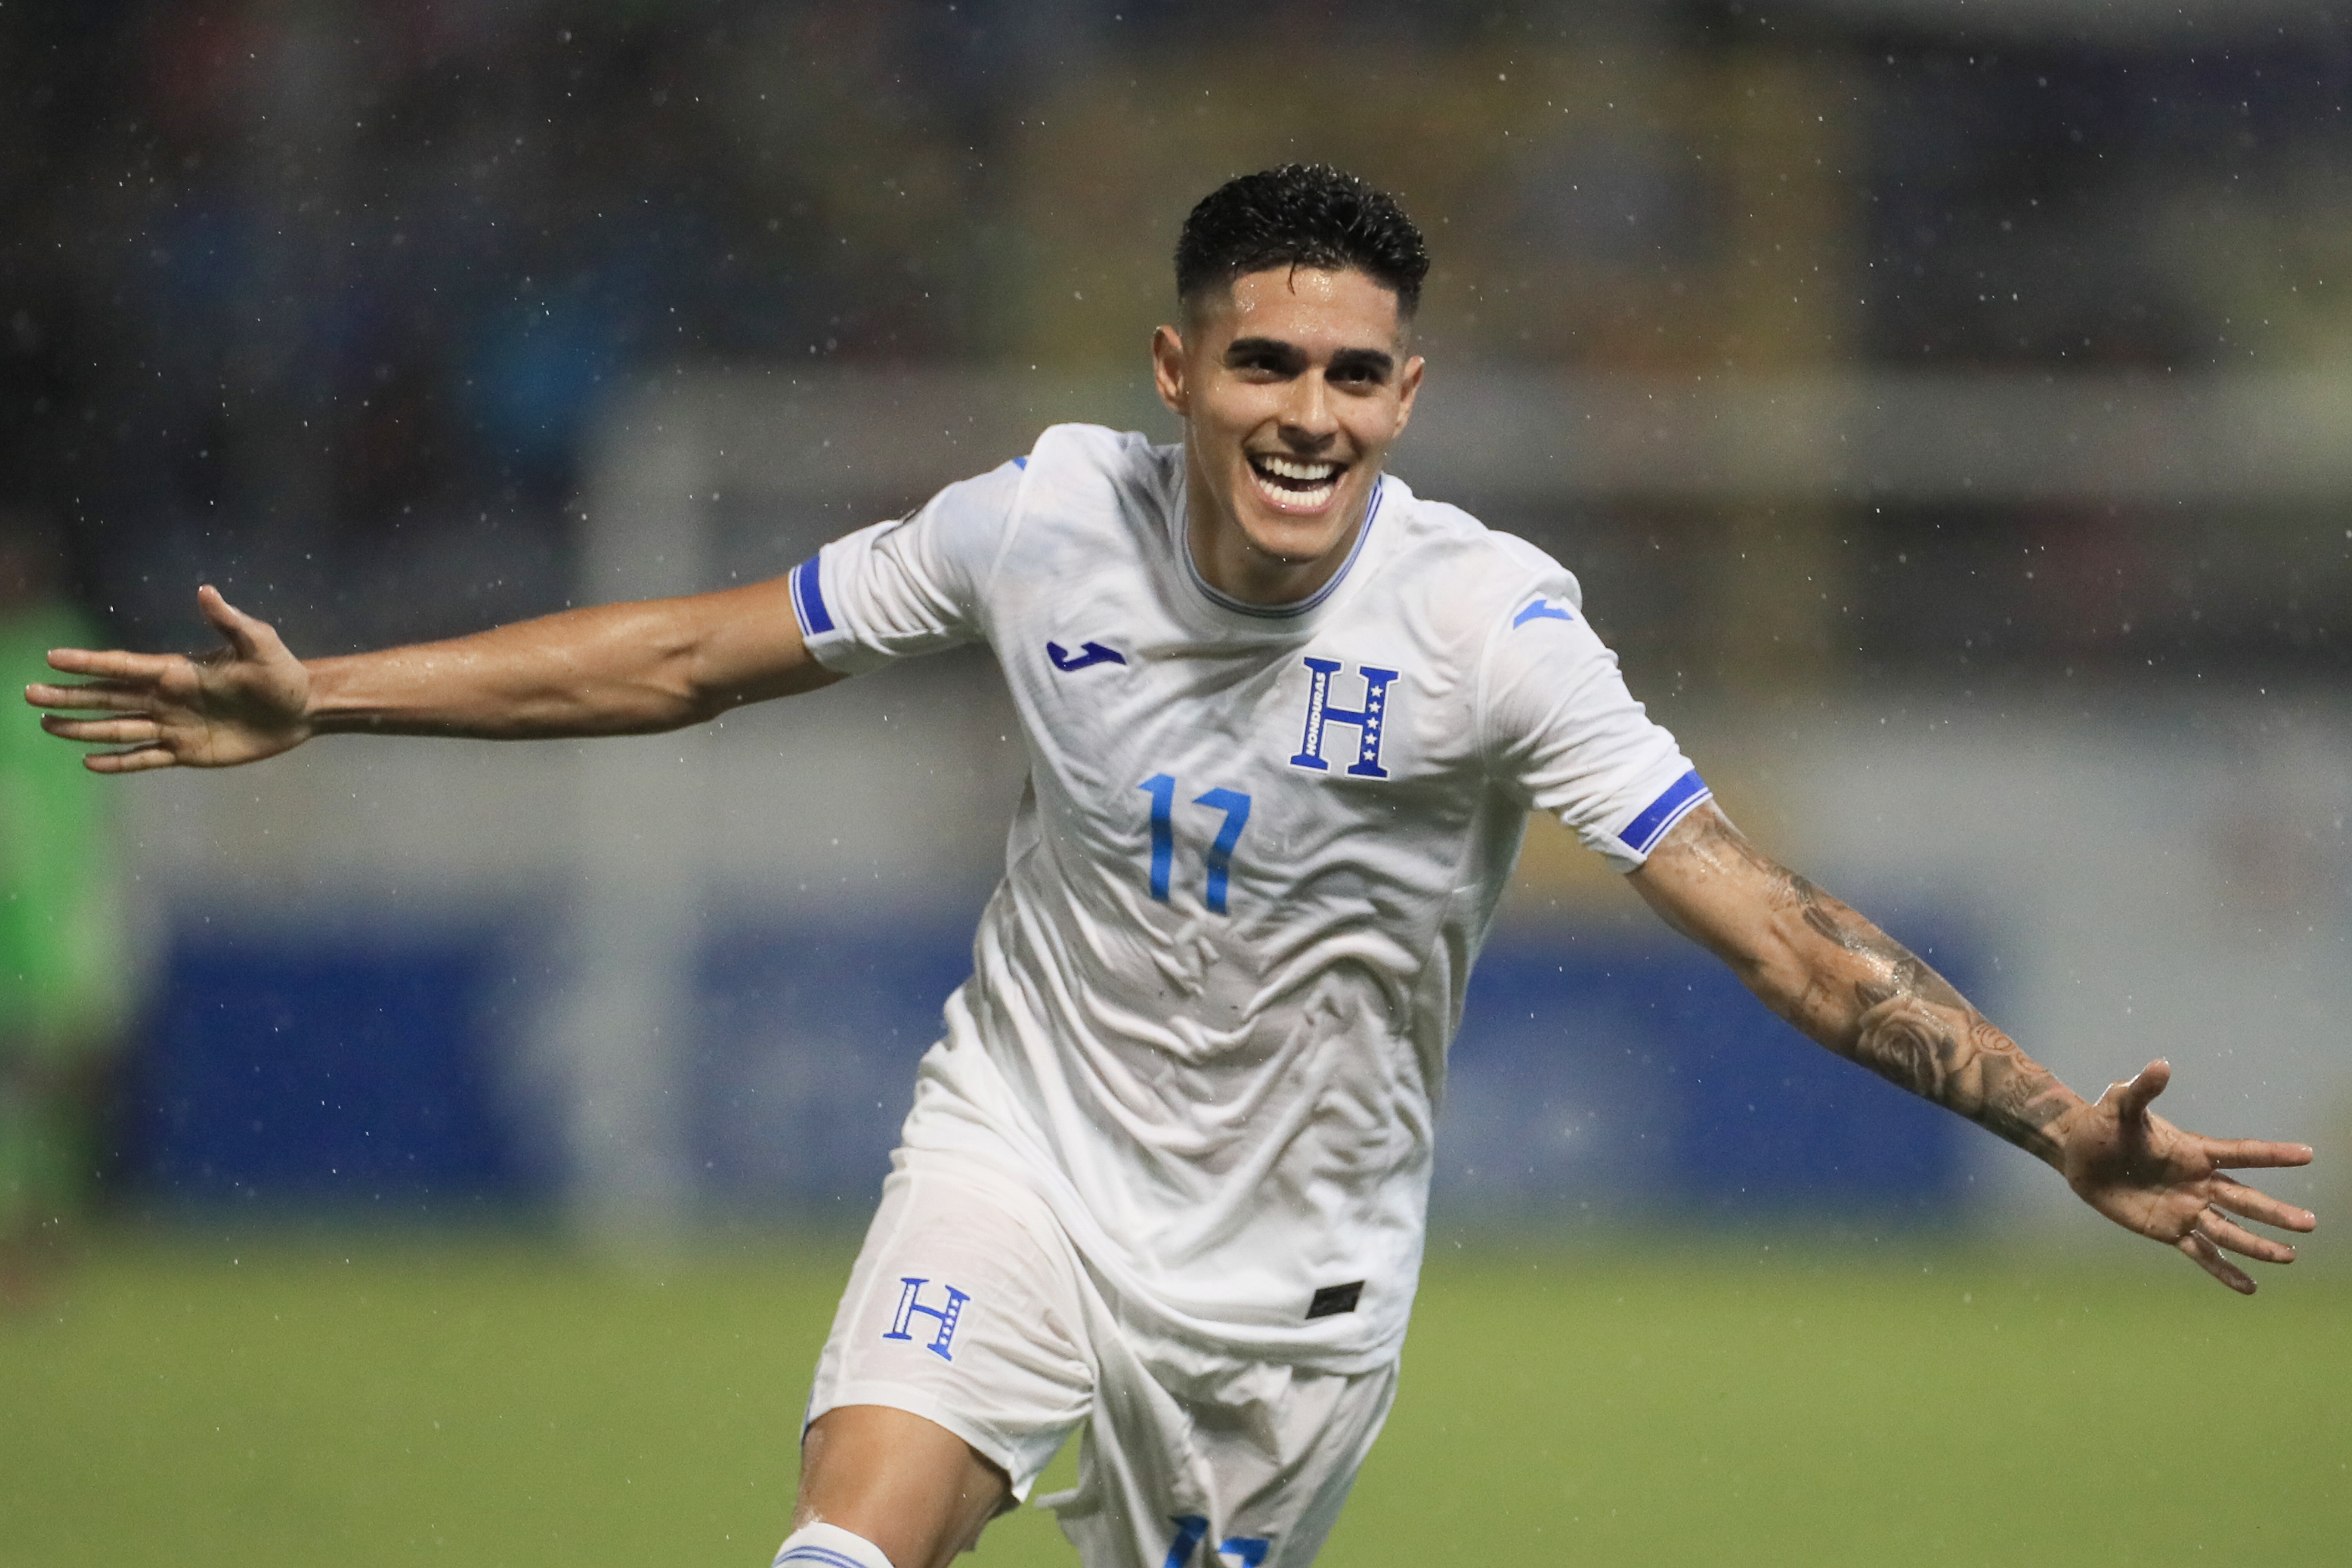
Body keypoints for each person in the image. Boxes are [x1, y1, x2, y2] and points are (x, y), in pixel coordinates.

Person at [29, 165, 2316, 1568]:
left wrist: (2044, 1118)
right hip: (1014, 1154)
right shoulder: (1041, 518)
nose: (1311, 408)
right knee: (848, 1535)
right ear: (1177, 366)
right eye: (1266, 362)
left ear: (1407, 395)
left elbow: (1773, 921)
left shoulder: (1486, 626)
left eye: (1356, 371)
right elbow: (684, 656)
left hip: (1291, 1285)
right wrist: (332, 692)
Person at [0, 508, 134, 1307]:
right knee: (29, 1078)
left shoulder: (68, 652)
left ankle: (46, 1225)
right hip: (31, 910)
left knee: (61, 1075)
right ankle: (24, 1232)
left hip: (62, 904)